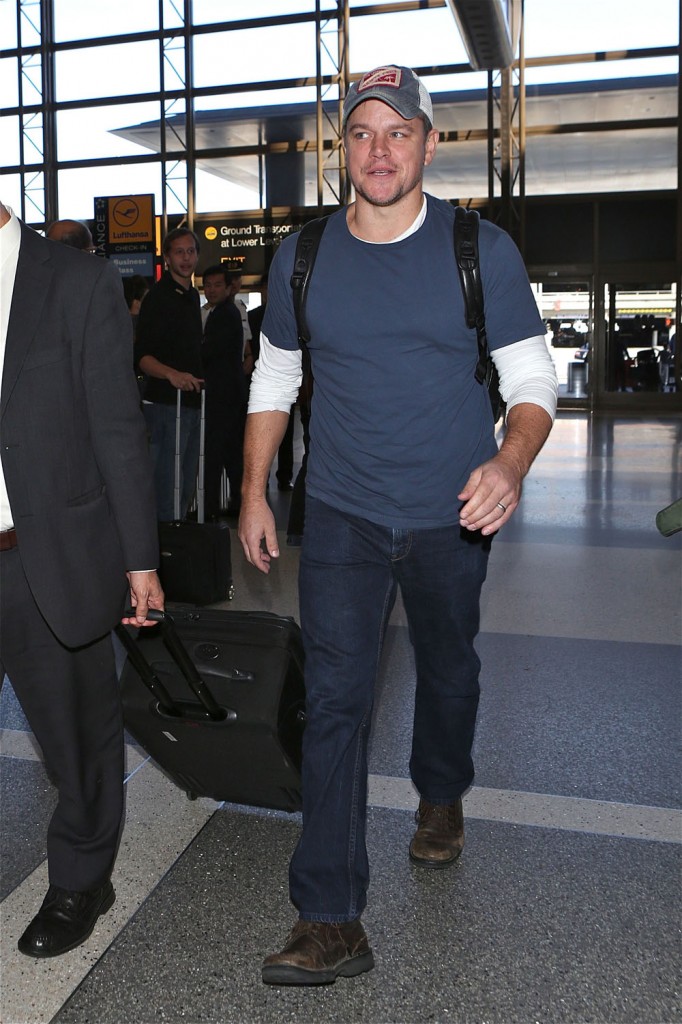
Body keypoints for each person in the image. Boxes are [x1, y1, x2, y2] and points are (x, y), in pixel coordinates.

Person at [238, 65, 559, 986]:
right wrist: (257, 490)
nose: (379, 150)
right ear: (343, 148)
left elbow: (532, 380)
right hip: (340, 510)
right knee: (336, 702)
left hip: (452, 512)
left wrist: (508, 461)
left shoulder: (477, 247)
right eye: (362, 132)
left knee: (449, 667)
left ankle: (442, 791)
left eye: (398, 131)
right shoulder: (302, 256)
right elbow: (274, 380)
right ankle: (330, 916)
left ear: (428, 141)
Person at [0, 200, 164, 958]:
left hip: (45, 553)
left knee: (75, 732)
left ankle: (81, 879)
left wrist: (140, 559)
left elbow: (115, 426)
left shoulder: (74, 281)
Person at [135, 228, 204, 521]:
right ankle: (163, 552)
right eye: (179, 252)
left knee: (186, 484)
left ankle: (179, 546)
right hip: (166, 407)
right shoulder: (158, 299)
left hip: (191, 404)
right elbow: (142, 358)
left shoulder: (192, 297)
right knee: (167, 486)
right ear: (167, 256)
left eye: (190, 251)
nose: (186, 258)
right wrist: (172, 374)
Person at [201, 264, 246, 518]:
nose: (212, 289)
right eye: (208, 285)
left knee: (218, 451)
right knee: (230, 452)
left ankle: (210, 508)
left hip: (223, 395)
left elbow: (210, 353)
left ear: (230, 288)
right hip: (230, 393)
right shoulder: (224, 312)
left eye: (218, 285)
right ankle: (236, 503)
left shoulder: (224, 314)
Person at [247, 274, 295, 492]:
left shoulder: (291, 315)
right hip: (257, 378)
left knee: (285, 432)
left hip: (286, 379)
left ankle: (284, 477)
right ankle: (262, 479)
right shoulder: (252, 316)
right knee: (258, 432)